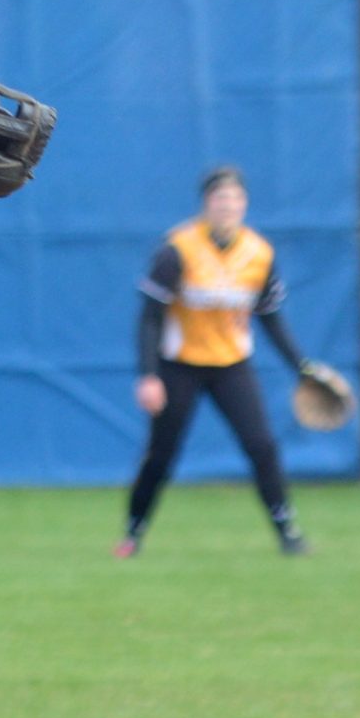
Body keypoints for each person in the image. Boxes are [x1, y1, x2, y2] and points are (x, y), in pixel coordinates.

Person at [116, 165, 313, 558]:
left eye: (236, 199)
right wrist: (149, 376)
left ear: (245, 205)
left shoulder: (259, 253)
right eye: (221, 199)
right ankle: (133, 533)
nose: (228, 206)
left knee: (261, 445)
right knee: (162, 453)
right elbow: (150, 318)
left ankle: (287, 531)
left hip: (231, 364)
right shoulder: (178, 250)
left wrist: (302, 368)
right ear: (207, 204)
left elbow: (270, 317)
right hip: (180, 365)